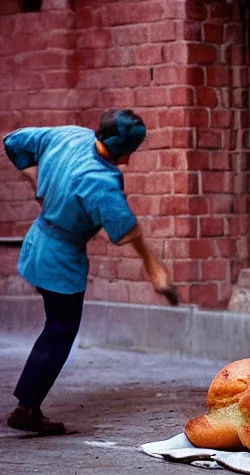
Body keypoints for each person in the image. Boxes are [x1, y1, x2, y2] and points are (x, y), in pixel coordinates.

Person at [3, 109, 178, 435]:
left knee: (54, 327)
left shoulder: (70, 135)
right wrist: (155, 269)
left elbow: (13, 142)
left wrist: (35, 180)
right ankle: (26, 408)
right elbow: (129, 231)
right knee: (60, 329)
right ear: (123, 150)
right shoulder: (100, 182)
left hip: (36, 243)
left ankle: (28, 403)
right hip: (60, 261)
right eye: (129, 153)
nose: (127, 161)